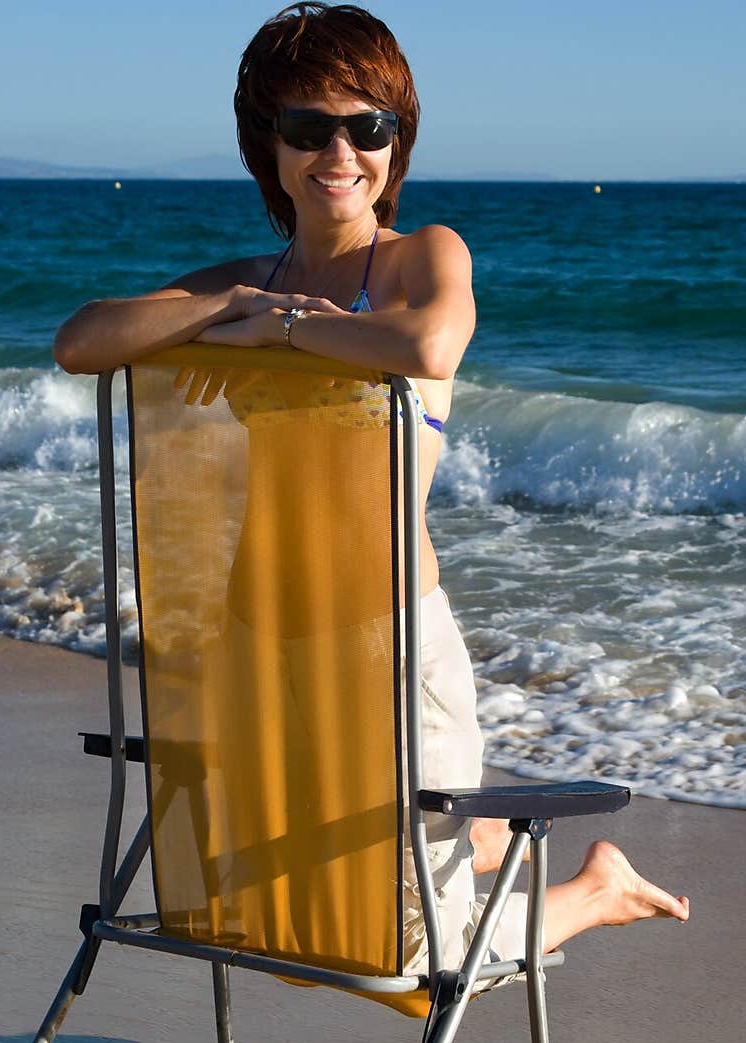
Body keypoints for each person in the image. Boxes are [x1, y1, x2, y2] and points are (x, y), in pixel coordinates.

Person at [54, 2, 688, 981]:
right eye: (307, 128)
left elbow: (429, 342)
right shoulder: (244, 279)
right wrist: (231, 305)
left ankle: (590, 892)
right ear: (267, 146)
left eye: (367, 127)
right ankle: (475, 843)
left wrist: (282, 333)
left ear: (397, 139)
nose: (338, 152)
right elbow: (83, 340)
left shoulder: (417, 256)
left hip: (388, 639)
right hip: (261, 642)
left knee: (409, 945)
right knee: (281, 885)